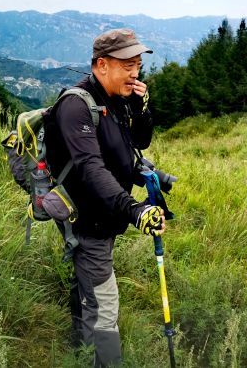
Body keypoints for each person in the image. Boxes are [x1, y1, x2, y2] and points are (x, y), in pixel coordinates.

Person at [45, 29, 169, 366]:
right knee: (105, 306)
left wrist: (140, 108)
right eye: (127, 65)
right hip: (87, 217)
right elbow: (90, 167)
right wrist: (133, 209)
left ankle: (82, 347)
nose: (135, 73)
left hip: (105, 212)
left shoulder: (115, 98)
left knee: (89, 288)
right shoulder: (76, 105)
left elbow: (136, 145)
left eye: (138, 66)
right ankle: (103, 360)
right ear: (102, 64)